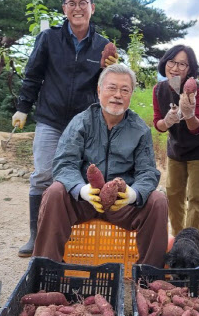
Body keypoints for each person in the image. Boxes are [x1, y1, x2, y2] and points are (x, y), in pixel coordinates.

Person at [12, 0, 117, 257]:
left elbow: (105, 88)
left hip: (84, 123)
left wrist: (110, 71)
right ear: (64, 9)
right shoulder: (48, 38)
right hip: (50, 119)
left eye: (83, 3)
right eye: (72, 3)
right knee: (43, 175)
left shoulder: (103, 46)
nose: (77, 8)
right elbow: (33, 75)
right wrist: (23, 108)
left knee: (80, 176)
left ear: (92, 8)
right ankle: (36, 236)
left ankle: (69, 232)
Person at [32, 64, 168, 268]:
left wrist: (134, 193)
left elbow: (147, 171)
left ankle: (149, 278)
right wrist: (81, 189)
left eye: (125, 90)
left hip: (122, 205)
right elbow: (64, 163)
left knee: (158, 200)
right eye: (111, 88)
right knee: (54, 191)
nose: (117, 95)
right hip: (84, 201)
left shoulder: (140, 129)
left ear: (131, 94)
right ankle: (46, 270)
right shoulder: (81, 122)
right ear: (99, 90)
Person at [153, 45, 199, 236]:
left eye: (182, 64)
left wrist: (189, 113)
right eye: (172, 62)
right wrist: (167, 121)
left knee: (197, 197)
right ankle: (177, 237)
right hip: (176, 147)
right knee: (173, 194)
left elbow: (197, 127)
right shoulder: (160, 89)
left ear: (190, 68)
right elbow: (158, 123)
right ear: (165, 62)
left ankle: (192, 242)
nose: (175, 68)